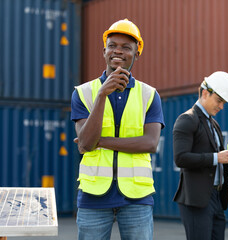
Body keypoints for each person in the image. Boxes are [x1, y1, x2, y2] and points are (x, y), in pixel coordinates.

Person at [71, 19, 165, 240]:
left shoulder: (150, 95)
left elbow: (150, 144)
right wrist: (103, 94)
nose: (118, 51)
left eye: (126, 47)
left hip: (136, 198)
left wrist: (99, 141)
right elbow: (84, 144)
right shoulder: (84, 93)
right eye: (112, 45)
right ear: (104, 51)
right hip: (93, 196)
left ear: (137, 53)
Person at [173, 71, 228, 240]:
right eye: (219, 101)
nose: (221, 106)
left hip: (216, 198)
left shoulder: (213, 124)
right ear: (205, 93)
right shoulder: (186, 119)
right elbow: (181, 158)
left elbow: (217, 161)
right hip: (196, 200)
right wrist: (217, 157)